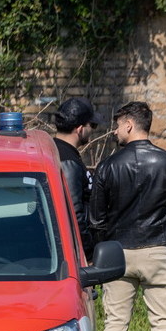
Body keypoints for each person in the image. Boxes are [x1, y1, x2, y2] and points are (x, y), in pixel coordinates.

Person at [90, 102, 166, 331]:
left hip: (118, 252)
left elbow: (96, 219)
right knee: (163, 323)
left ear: (129, 125)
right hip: (159, 248)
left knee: (115, 324)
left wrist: (99, 252)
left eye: (118, 125)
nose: (114, 131)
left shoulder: (108, 166)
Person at [52, 97, 99, 258]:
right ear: (79, 129)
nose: (93, 130)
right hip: (75, 251)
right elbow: (74, 213)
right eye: (92, 125)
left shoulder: (54, 150)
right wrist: (88, 252)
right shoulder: (68, 161)